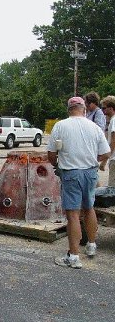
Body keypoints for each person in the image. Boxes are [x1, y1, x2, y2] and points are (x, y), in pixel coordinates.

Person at [47, 97, 110, 269]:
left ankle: (73, 257)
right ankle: (91, 245)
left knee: (73, 214)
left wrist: (56, 165)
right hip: (90, 173)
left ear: (69, 109)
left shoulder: (61, 126)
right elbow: (106, 153)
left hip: (71, 173)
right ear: (84, 109)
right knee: (89, 208)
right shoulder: (94, 127)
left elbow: (51, 154)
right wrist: (92, 159)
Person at [99, 95, 115, 186]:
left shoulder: (114, 120)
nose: (102, 110)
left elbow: (114, 141)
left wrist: (104, 161)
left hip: (114, 159)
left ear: (111, 108)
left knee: (112, 188)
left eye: (104, 108)